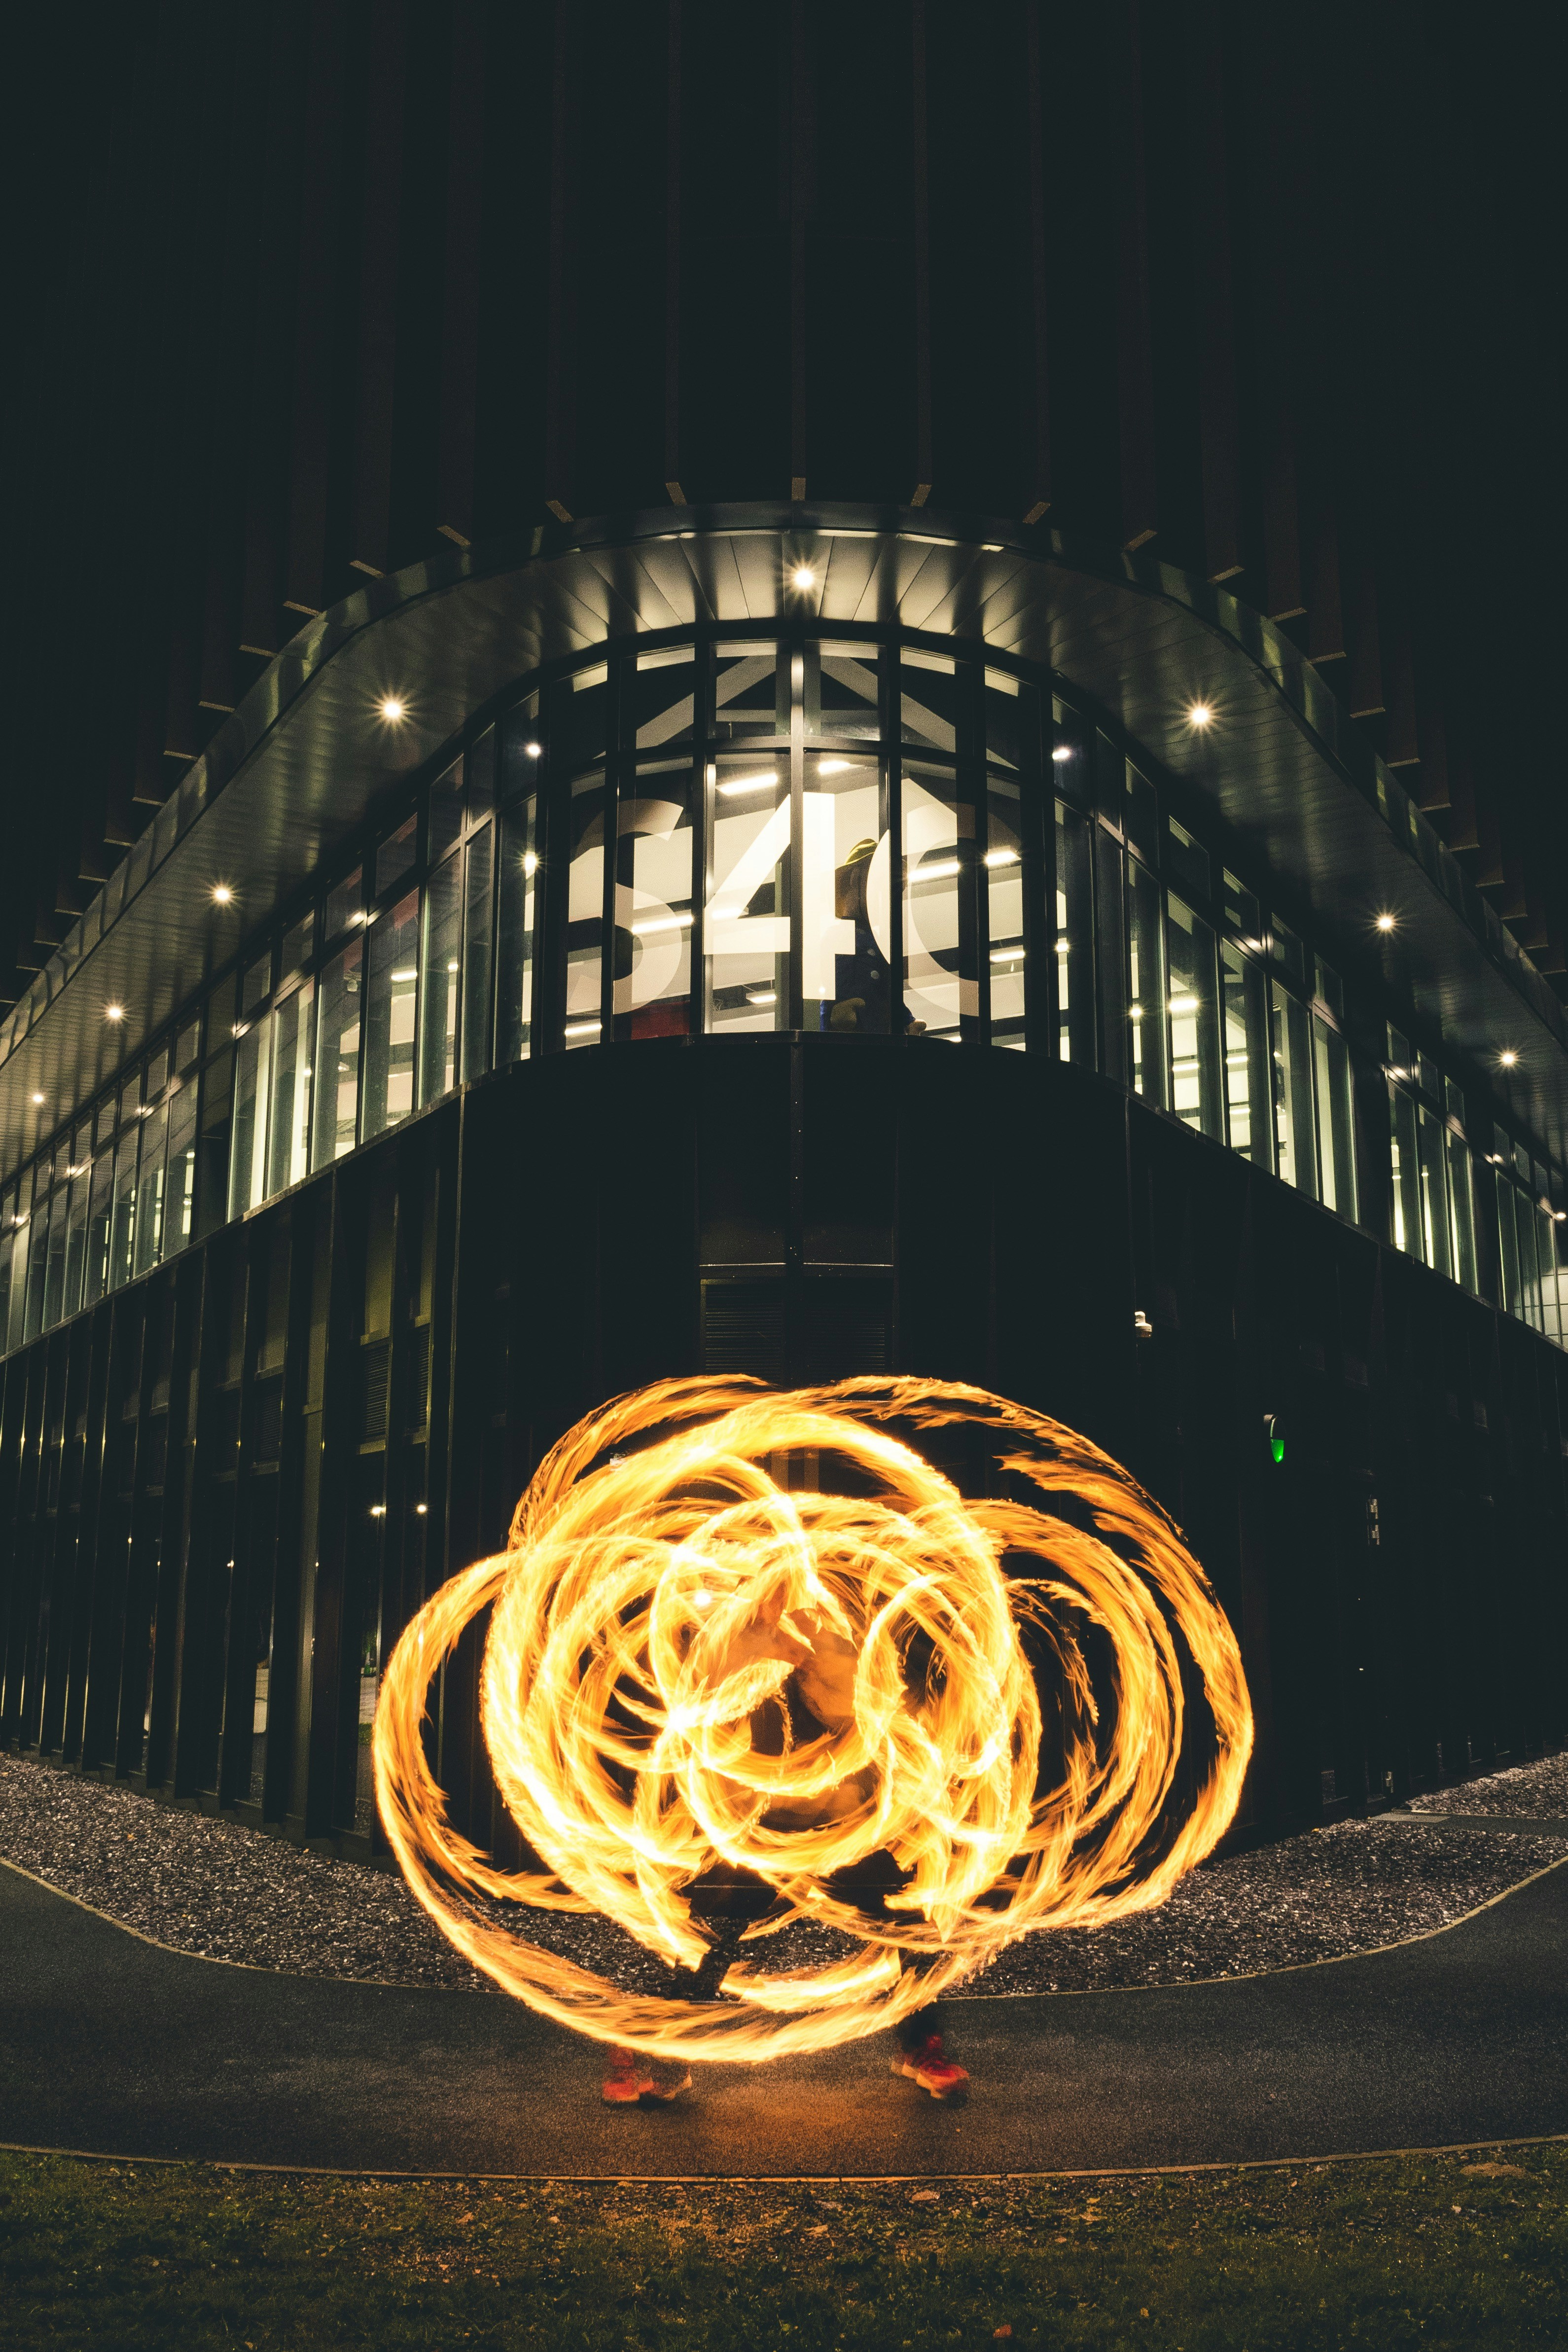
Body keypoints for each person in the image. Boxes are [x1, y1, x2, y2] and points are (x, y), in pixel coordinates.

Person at [601, 1590, 968, 2106]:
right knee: (708, 1937)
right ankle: (666, 2057)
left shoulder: (833, 1644)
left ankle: (920, 2047)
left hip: (838, 1828)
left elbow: (861, 1708)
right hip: (761, 1831)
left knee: (908, 1925)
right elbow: (702, 1694)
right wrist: (755, 1645)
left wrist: (812, 1653)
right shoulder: (737, 1645)